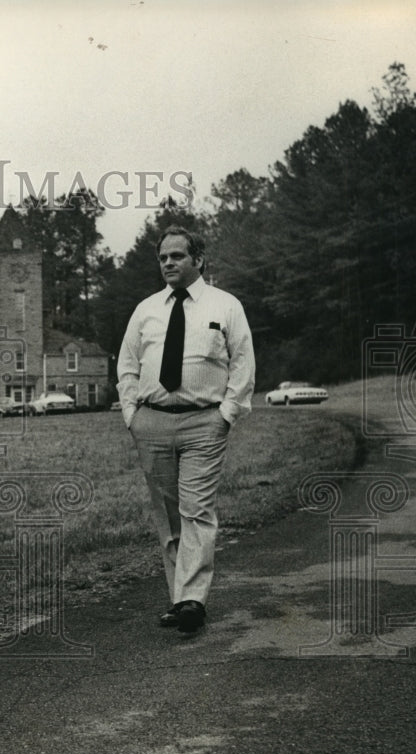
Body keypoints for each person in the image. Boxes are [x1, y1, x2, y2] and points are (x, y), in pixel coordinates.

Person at [116, 225, 255, 633]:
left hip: (203, 423)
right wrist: (132, 415)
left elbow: (243, 362)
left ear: (198, 260)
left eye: (176, 256)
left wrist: (225, 415)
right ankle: (180, 600)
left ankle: (193, 599)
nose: (168, 263)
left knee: (196, 509)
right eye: (162, 258)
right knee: (168, 516)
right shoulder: (146, 310)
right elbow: (126, 365)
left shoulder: (225, 305)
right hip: (153, 422)